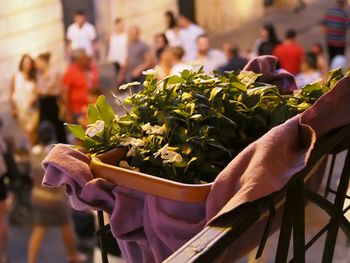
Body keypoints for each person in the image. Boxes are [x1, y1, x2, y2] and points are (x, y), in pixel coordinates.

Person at [27, 122, 83, 263]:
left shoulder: (33, 151)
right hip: (55, 199)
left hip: (37, 197)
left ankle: (31, 260)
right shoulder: (52, 155)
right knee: (66, 226)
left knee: (39, 230)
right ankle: (73, 256)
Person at [36, 52, 67, 143]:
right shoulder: (39, 74)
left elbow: (59, 90)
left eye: (38, 62)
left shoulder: (55, 72)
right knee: (46, 128)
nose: (37, 65)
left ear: (44, 61)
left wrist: (44, 91)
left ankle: (63, 147)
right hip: (43, 104)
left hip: (54, 103)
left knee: (59, 128)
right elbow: (37, 89)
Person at [62, 49, 99, 123]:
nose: (86, 60)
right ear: (77, 60)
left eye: (87, 58)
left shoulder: (91, 68)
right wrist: (68, 111)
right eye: (83, 58)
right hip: (78, 109)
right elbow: (65, 92)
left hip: (93, 106)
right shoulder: (71, 71)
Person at [10, 54, 38, 146]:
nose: (27, 65)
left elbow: (36, 91)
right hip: (20, 107)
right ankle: (32, 149)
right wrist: (13, 108)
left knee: (32, 129)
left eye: (29, 63)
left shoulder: (33, 77)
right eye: (25, 63)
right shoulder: (16, 76)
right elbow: (12, 93)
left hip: (31, 107)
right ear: (21, 63)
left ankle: (35, 148)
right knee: (26, 131)